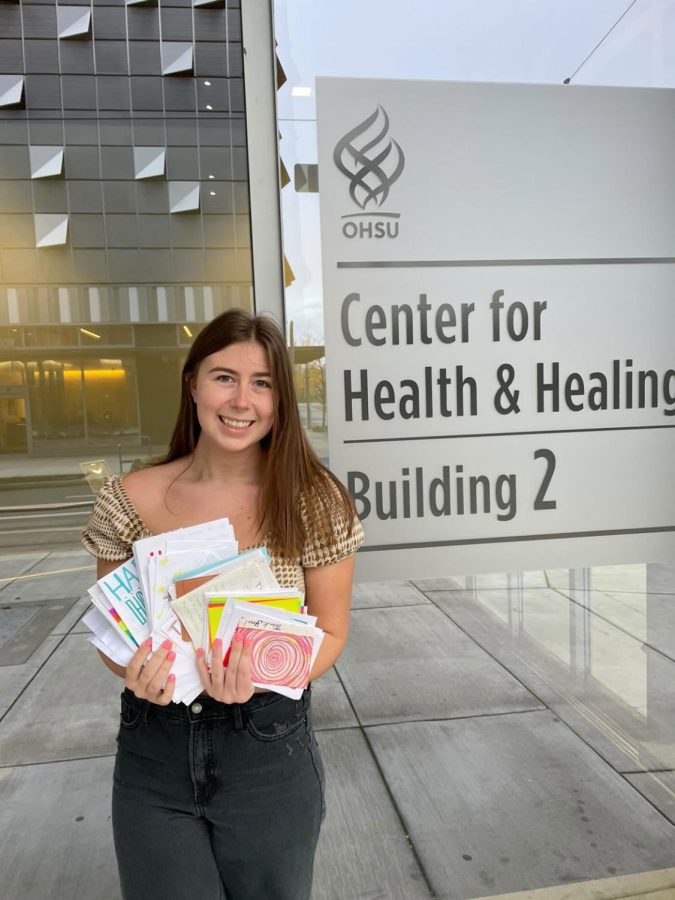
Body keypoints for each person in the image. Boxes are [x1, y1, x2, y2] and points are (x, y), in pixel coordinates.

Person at [82, 308, 364, 900]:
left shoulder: (313, 502)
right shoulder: (128, 500)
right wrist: (137, 673)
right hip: (154, 751)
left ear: (280, 399)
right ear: (192, 384)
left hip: (266, 748)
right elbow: (116, 637)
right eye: (224, 377)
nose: (242, 400)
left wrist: (261, 673)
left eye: (262, 383)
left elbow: (332, 633)